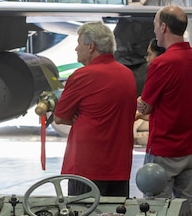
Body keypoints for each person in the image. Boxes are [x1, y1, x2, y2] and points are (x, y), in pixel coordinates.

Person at [53, 22, 137, 198]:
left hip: (87, 168)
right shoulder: (127, 75)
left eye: (79, 43)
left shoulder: (82, 76)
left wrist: (79, 115)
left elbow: (60, 117)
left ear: (91, 46)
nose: (76, 48)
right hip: (119, 166)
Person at [135, 5, 192, 203]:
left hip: (164, 148)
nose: (155, 30)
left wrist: (141, 102)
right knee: (186, 208)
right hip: (191, 146)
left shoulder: (162, 63)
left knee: (156, 207)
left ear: (164, 27)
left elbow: (146, 106)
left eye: (155, 25)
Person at [133, 39, 165, 147]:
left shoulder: (158, 77)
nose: (148, 59)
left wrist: (139, 100)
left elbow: (144, 107)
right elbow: (158, 115)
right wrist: (140, 116)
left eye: (150, 54)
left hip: (162, 143)